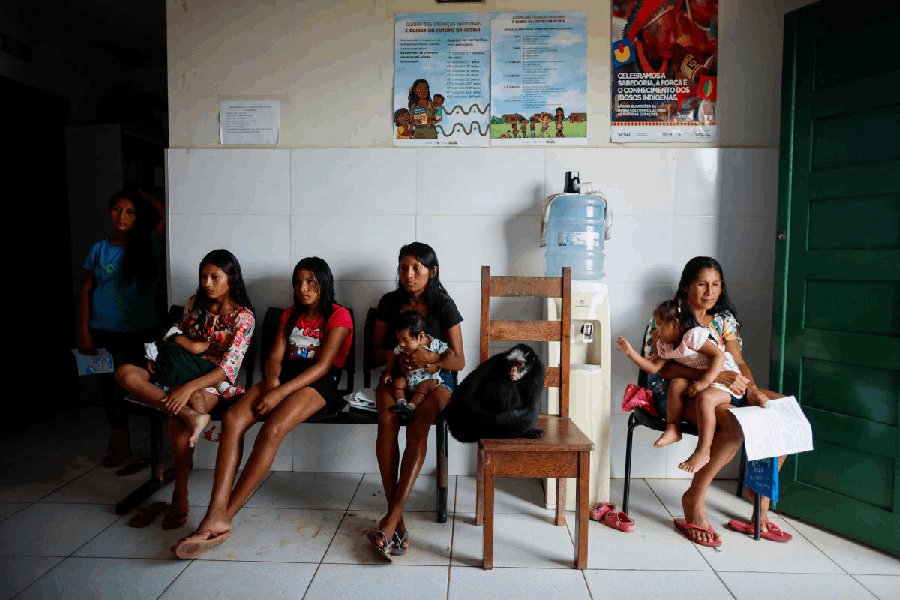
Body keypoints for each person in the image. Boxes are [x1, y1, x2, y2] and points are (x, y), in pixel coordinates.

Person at [172, 257, 352, 558]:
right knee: (231, 419)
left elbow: (322, 366)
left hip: (320, 384)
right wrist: (271, 382)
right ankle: (215, 510)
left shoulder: (338, 315)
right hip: (284, 378)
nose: (303, 288)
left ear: (324, 283)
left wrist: (280, 392)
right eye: (298, 282)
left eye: (310, 282)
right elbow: (275, 357)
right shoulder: (290, 314)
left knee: (272, 430)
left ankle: (223, 516)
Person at [641, 256, 790, 546]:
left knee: (780, 409)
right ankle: (693, 499)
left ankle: (758, 503)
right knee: (733, 424)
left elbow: (739, 363)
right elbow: (665, 368)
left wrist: (751, 389)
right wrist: (716, 378)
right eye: (702, 284)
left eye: (716, 285)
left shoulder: (724, 321)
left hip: (719, 390)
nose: (710, 292)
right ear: (686, 287)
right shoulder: (670, 314)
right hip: (678, 390)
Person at [115, 249, 255, 530]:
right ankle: (192, 417)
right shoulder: (195, 304)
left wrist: (188, 386)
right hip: (176, 370)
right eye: (204, 276)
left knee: (178, 411)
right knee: (125, 373)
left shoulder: (244, 318)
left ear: (233, 278)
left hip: (210, 382)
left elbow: (228, 368)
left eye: (215, 277)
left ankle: (180, 494)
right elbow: (176, 335)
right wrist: (171, 355)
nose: (208, 283)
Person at [370, 242, 464, 559]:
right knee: (387, 420)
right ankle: (395, 520)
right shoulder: (389, 303)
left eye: (416, 268)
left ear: (432, 271)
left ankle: (392, 519)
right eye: (403, 268)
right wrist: (400, 357)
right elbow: (374, 351)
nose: (408, 275)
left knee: (418, 426)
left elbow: (459, 360)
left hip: (436, 381)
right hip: (396, 377)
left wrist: (431, 359)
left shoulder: (444, 306)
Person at [77, 188, 165, 469]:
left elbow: (168, 215)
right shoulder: (99, 248)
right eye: (117, 208)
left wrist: (142, 194)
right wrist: (83, 330)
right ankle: (120, 441)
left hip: (140, 332)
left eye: (130, 211)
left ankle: (138, 446)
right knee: (107, 386)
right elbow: (86, 290)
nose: (122, 216)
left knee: (136, 385)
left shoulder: (149, 243)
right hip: (102, 330)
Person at [617, 297, 744, 474]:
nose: (656, 329)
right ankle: (673, 428)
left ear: (675, 323)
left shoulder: (693, 335)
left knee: (706, 398)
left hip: (722, 377)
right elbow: (654, 368)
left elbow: (719, 357)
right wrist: (630, 353)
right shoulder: (667, 344)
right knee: (676, 384)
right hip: (699, 378)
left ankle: (703, 451)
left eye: (660, 324)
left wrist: (704, 383)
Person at [381, 309, 451, 423]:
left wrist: (438, 365)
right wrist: (388, 372)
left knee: (422, 388)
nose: (401, 344)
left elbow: (450, 354)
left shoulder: (435, 344)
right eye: (399, 340)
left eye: (406, 340)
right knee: (398, 382)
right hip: (409, 379)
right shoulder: (402, 346)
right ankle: (401, 403)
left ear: (421, 336)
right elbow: (392, 354)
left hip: (429, 380)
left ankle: (410, 407)